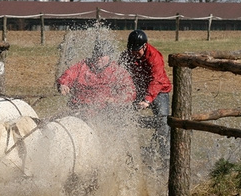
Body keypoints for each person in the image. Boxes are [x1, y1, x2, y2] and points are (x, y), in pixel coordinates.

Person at [123, 29, 172, 162]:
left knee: (163, 122)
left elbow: (156, 80)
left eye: (137, 50)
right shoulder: (128, 54)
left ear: (145, 46)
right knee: (123, 116)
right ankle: (128, 153)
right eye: (132, 50)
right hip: (139, 89)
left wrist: (147, 100)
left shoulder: (155, 57)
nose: (134, 53)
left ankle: (165, 157)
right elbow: (120, 71)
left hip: (159, 90)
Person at [57, 39, 135, 114]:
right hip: (79, 107)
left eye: (102, 55)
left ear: (109, 56)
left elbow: (129, 90)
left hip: (104, 111)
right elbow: (69, 74)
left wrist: (115, 100)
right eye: (96, 54)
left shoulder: (116, 71)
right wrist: (63, 84)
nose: (98, 58)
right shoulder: (83, 65)